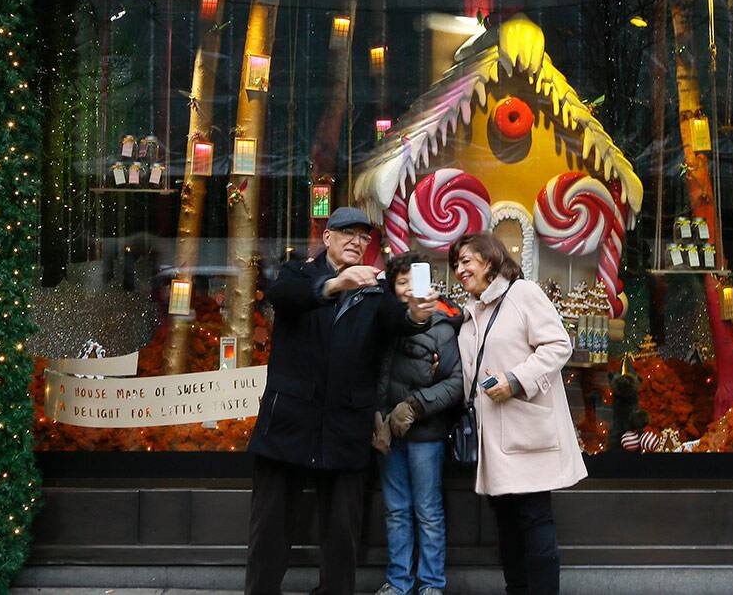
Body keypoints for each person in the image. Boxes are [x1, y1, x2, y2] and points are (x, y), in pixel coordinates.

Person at [245, 207, 439, 595]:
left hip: (346, 425)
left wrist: (417, 315)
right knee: (270, 530)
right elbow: (285, 297)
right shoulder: (298, 273)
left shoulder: (376, 290)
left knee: (341, 536)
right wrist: (334, 285)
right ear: (327, 237)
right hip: (289, 422)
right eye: (347, 232)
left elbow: (397, 322)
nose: (356, 241)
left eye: (363, 236)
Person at [448, 231, 587, 595]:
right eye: (456, 264)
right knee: (506, 525)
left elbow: (559, 344)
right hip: (491, 436)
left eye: (466, 261)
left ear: (490, 260)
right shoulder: (471, 313)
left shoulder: (522, 294)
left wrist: (515, 379)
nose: (459, 269)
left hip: (525, 430)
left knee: (534, 520)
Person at [371, 252, 464, 595]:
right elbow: (375, 374)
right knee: (395, 509)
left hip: (426, 433)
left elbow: (456, 383)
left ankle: (431, 583)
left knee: (427, 510)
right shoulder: (384, 326)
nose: (409, 290)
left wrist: (414, 406)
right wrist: (377, 416)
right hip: (388, 434)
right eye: (401, 282)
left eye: (415, 281)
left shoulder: (441, 324)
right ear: (391, 289)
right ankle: (398, 581)